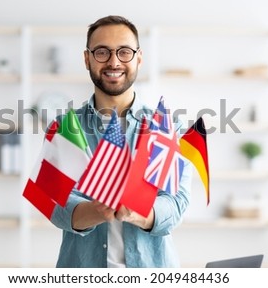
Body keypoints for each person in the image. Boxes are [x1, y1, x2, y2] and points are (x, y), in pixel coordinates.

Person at [50, 15, 193, 267]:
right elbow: (55, 203)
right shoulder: (65, 129)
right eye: (102, 52)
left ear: (139, 58)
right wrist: (96, 211)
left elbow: (175, 205)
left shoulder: (167, 128)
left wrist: (137, 212)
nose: (114, 62)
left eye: (124, 52)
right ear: (87, 59)